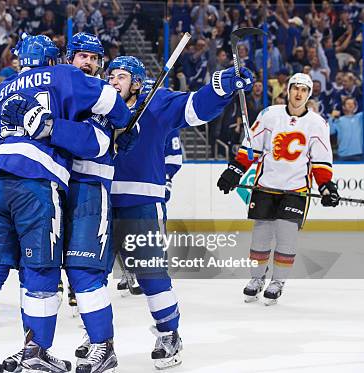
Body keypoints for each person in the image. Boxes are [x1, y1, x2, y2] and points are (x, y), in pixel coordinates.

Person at [0, 34, 130, 373]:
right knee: (40, 269)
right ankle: (35, 350)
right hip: (38, 182)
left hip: (31, 185)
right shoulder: (69, 79)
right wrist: (122, 119)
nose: (87, 63)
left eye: (94, 58)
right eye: (81, 56)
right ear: (60, 59)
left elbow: (92, 142)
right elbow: (112, 107)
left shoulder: (7, 86)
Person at [108, 56, 253, 369]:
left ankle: (169, 332)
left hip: (142, 202)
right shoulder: (98, 104)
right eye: (111, 76)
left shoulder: (156, 103)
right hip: (99, 200)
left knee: (150, 273)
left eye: (121, 77)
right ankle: (97, 339)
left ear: (136, 83)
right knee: (90, 274)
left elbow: (196, 107)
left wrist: (223, 85)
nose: (114, 81)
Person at [217, 73, 340, 305]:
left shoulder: (317, 123)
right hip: (266, 187)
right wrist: (235, 170)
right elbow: (251, 147)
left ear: (308, 94)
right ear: (288, 90)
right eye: (295, 88)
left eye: (304, 90)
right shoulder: (269, 115)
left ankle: (277, 281)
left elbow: (321, 160)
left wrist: (326, 186)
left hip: (296, 190)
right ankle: (257, 278)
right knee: (260, 237)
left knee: (286, 236)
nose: (298, 93)